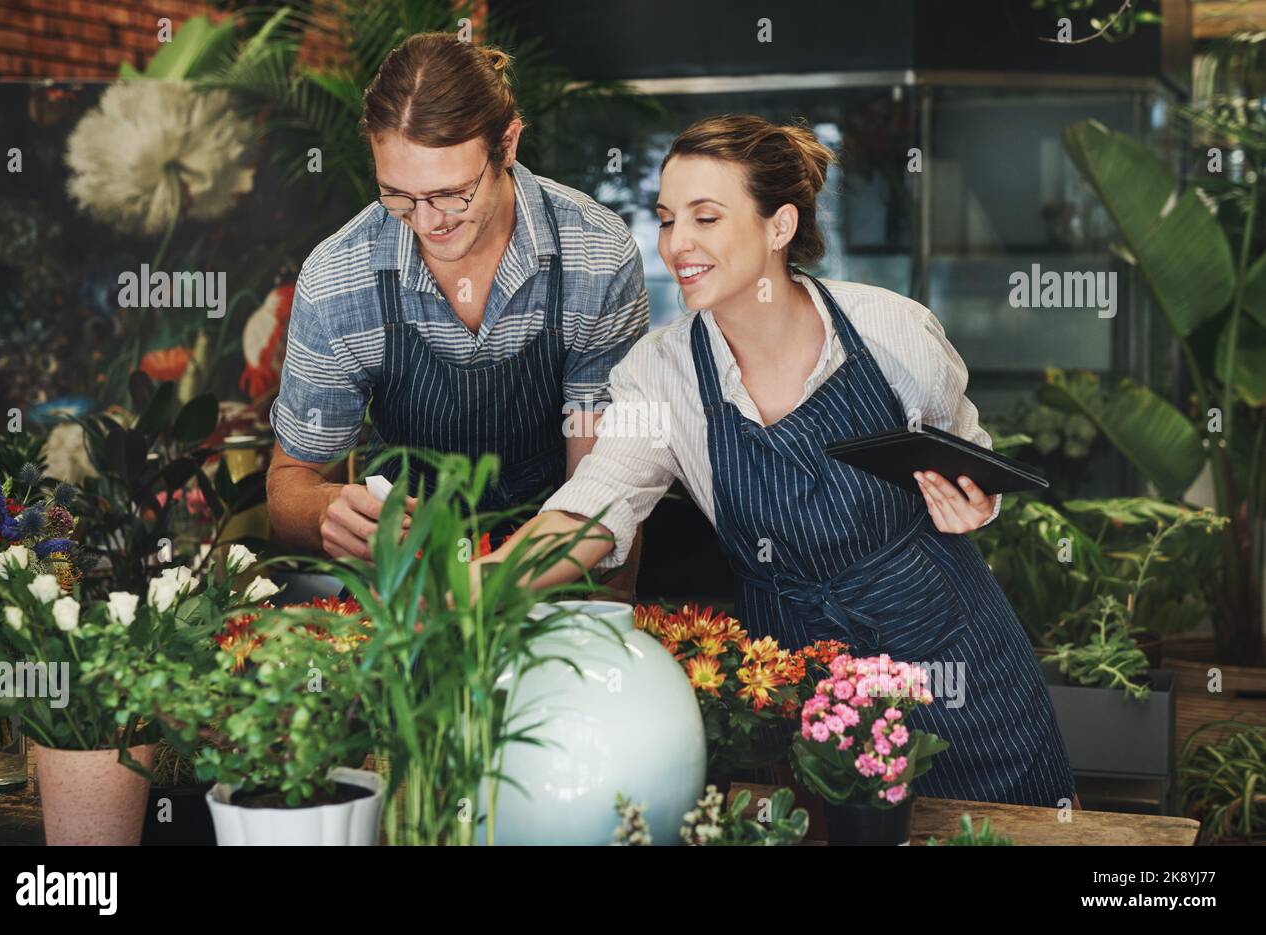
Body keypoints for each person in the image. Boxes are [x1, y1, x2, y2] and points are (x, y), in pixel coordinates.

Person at [475, 114, 1077, 808]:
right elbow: (596, 506)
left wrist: (975, 495)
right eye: (668, 220)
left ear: (779, 226)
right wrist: (480, 584)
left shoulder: (890, 331)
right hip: (800, 686)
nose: (678, 245)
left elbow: (967, 448)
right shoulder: (662, 373)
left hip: (954, 657)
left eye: (706, 218)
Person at [266, 33, 648, 595]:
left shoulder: (596, 256)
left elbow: (604, 490)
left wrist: (607, 645)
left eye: (451, 193)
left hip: (552, 580)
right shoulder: (338, 278)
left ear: (508, 144)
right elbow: (287, 489)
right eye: (397, 196)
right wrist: (324, 510)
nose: (426, 222)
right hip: (402, 597)